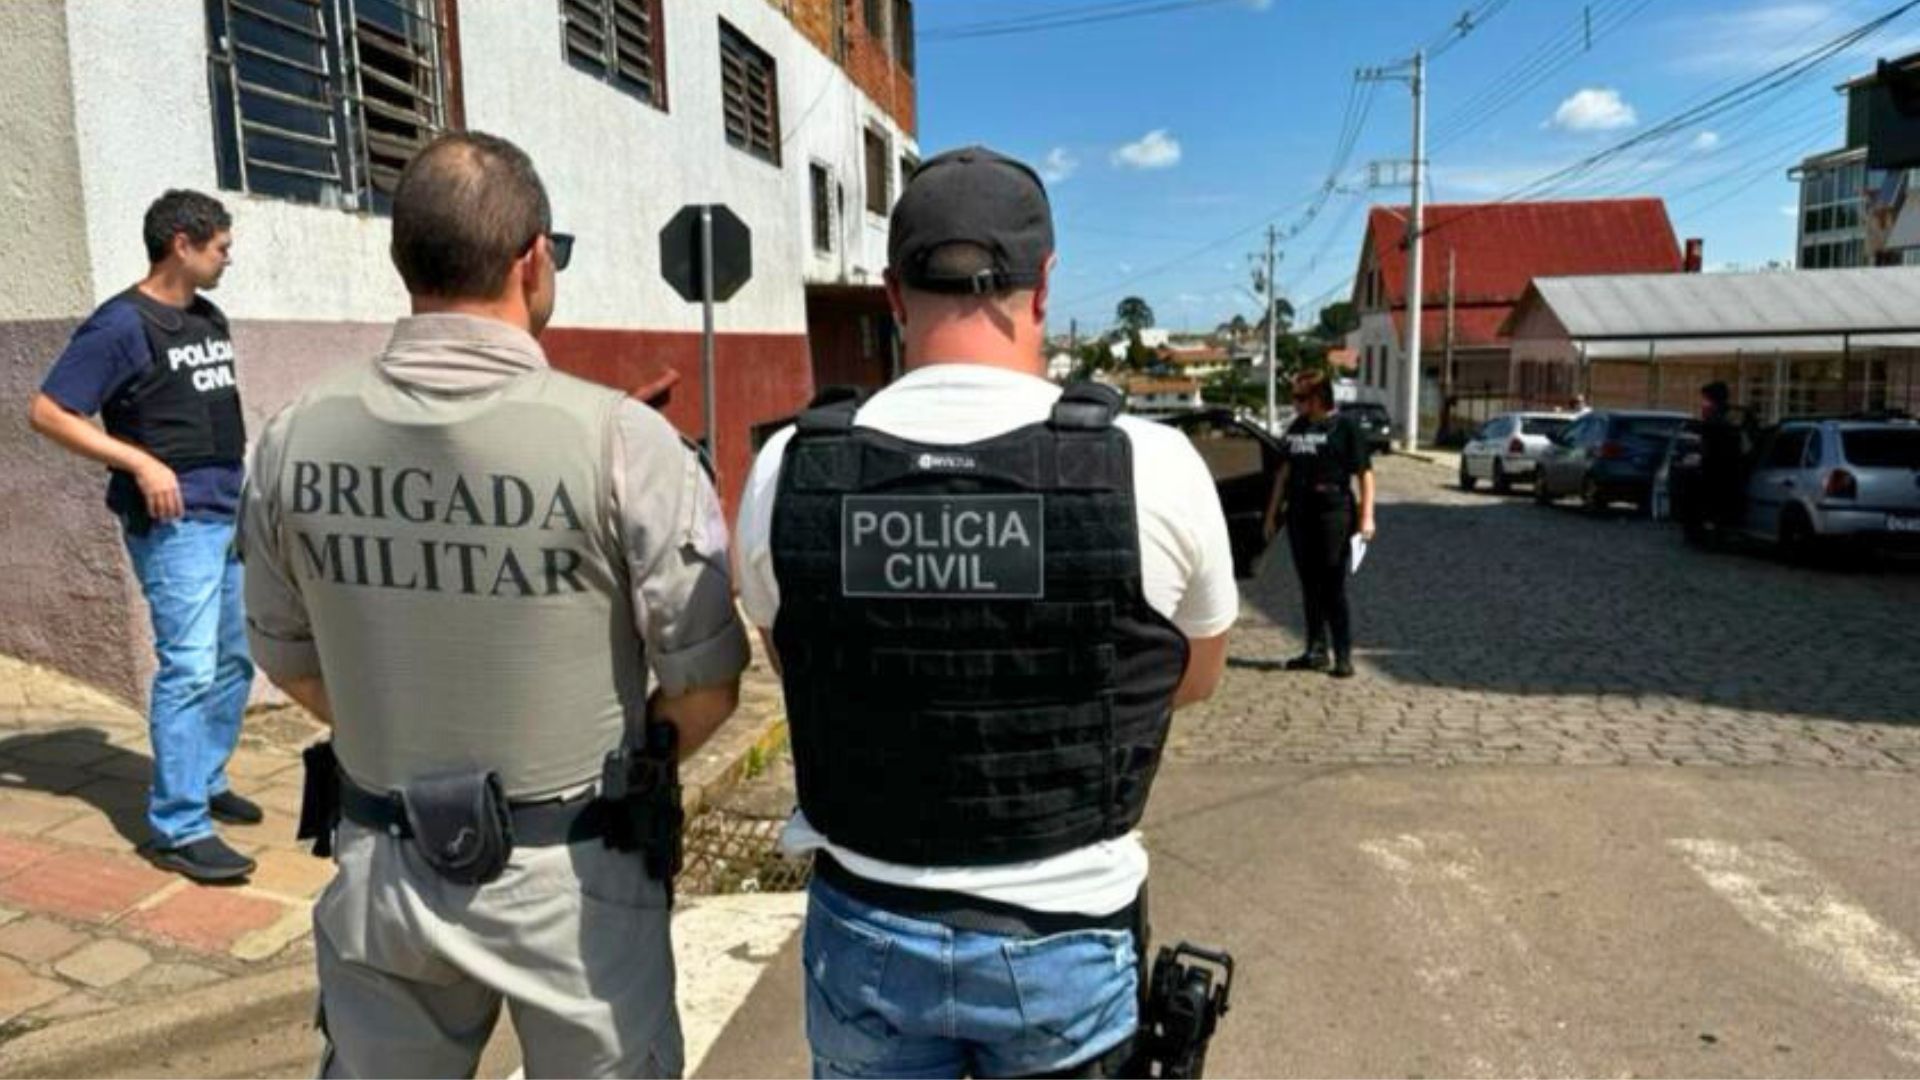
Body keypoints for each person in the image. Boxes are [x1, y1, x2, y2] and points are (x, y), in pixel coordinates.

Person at [239, 131, 748, 1078]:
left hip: (380, 870)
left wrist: (408, 737)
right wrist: (626, 762)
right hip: (577, 885)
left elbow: (289, 658)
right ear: (534, 259)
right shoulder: (627, 444)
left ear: (404, 261)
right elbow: (708, 684)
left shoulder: (289, 440)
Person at [735, 146, 1238, 1078]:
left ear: (892, 292)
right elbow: (1189, 680)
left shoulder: (788, 468)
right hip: (1068, 938)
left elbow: (788, 654)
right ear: (1043, 283)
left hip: (866, 929)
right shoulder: (1152, 465)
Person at [28, 190, 261, 882]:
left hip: (225, 512)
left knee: (231, 664)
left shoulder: (205, 316)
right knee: (188, 669)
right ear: (182, 244)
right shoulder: (121, 324)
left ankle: (205, 780)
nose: (228, 255)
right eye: (220, 245)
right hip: (175, 527)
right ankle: (179, 825)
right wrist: (139, 459)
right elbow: (48, 410)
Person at [1263, 371, 1377, 680]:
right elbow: (1283, 473)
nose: (1295, 403)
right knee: (1309, 584)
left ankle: (1342, 655)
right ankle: (1315, 650)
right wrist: (1272, 514)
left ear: (1318, 398)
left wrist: (1367, 516)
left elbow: (1364, 474)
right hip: (1301, 512)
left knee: (1332, 585)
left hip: (1334, 511)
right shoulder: (1297, 428)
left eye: (1300, 398)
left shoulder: (1345, 428)